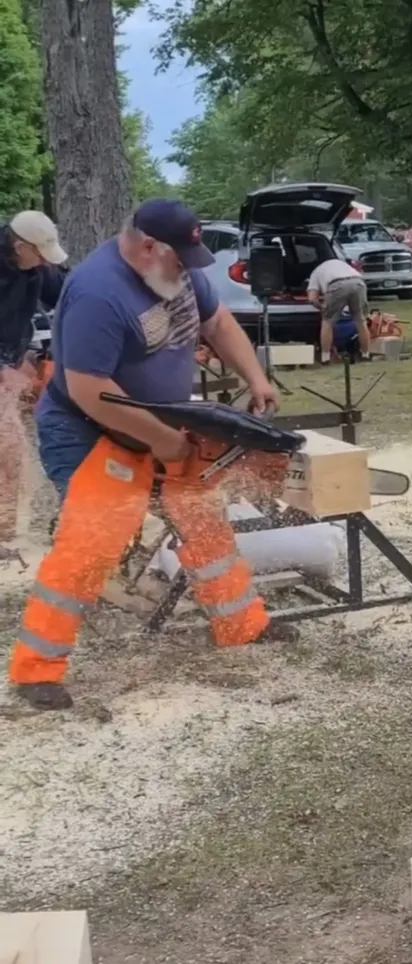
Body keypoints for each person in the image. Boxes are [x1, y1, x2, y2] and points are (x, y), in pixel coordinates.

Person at [8, 198, 298, 712]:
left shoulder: (178, 272)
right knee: (91, 543)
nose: (189, 268)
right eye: (181, 258)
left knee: (204, 521)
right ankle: (37, 669)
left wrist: (256, 377)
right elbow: (90, 390)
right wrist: (166, 444)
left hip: (165, 419)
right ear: (148, 248)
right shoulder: (98, 293)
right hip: (90, 428)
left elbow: (218, 323)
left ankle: (241, 625)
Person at [0, 211, 68, 550]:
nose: (44, 261)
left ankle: (5, 531)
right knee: (8, 447)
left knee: (10, 448)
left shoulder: (35, 266)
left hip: (11, 356)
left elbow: (69, 293)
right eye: (38, 254)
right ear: (19, 246)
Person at [306, 257, 370, 364]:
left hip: (337, 285)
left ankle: (325, 357)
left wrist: (322, 308)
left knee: (327, 322)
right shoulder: (341, 264)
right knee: (361, 321)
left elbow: (312, 298)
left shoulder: (315, 273)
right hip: (359, 282)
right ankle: (365, 355)